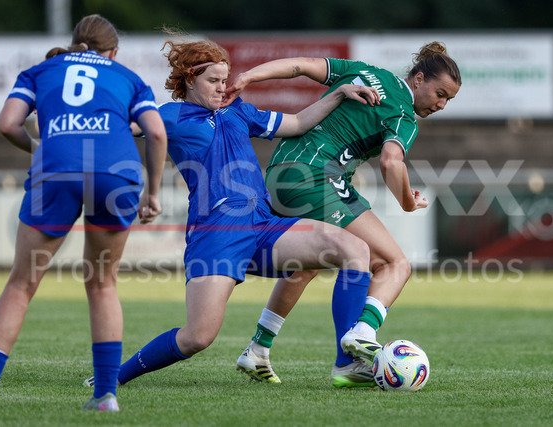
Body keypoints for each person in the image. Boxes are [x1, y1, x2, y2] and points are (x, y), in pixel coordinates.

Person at [81, 35, 382, 389]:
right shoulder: (170, 116)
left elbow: (299, 123)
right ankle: (114, 376)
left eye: (225, 80)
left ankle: (346, 363)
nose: (222, 87)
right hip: (217, 233)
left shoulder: (239, 110)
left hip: (263, 225)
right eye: (213, 80)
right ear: (189, 79)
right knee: (198, 336)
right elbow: (124, 127)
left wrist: (339, 92)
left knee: (353, 248)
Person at [224, 42, 461, 388]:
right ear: (419, 78)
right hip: (315, 177)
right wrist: (408, 202)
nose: (440, 105)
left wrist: (249, 75)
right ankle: (355, 346)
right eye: (439, 94)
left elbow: (303, 63)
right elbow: (391, 161)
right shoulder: (404, 117)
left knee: (309, 262)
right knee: (394, 263)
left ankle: (258, 348)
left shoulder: (365, 71)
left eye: (448, 100)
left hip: (279, 172)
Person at [0, 15, 167, 411]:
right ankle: (105, 395)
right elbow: (156, 132)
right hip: (115, 173)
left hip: (56, 170)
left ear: (75, 42)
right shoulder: (128, 77)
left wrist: (38, 148)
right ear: (113, 52)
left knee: (21, 285)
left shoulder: (40, 70)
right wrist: (153, 192)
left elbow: (7, 123)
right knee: (102, 284)